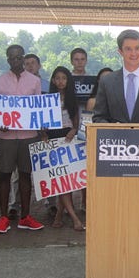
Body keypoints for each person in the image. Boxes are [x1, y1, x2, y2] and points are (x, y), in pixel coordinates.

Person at [0, 44, 45, 234]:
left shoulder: (34, 81)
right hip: (6, 136)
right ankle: (4, 217)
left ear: (23, 58)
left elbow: (39, 108)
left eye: (18, 57)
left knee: (25, 175)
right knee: (5, 175)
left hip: (28, 135)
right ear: (7, 60)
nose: (15, 61)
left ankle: (25, 217)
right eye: (11, 58)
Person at [45, 66, 85, 231]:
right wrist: (43, 135)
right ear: (53, 81)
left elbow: (76, 121)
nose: (60, 81)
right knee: (61, 180)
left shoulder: (72, 99)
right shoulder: (47, 99)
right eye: (57, 78)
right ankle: (72, 217)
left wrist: (73, 131)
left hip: (68, 138)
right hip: (52, 138)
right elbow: (41, 121)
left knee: (66, 181)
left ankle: (61, 215)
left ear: (68, 81)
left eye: (64, 78)